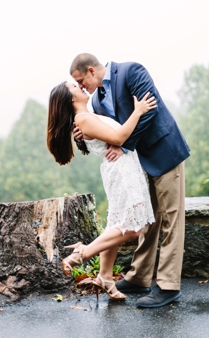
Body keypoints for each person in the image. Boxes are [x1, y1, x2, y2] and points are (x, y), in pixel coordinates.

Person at [69, 53, 191, 309]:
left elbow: (149, 109)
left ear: (91, 70)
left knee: (171, 219)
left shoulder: (131, 71)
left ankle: (168, 286)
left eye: (81, 81)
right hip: (138, 165)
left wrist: (126, 146)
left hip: (164, 152)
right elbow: (107, 130)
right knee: (148, 220)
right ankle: (139, 278)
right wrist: (81, 134)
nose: (82, 87)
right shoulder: (98, 100)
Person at [47, 82, 157, 300]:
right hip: (122, 171)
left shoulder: (85, 118)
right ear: (70, 98)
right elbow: (118, 139)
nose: (81, 87)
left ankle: (105, 277)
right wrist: (138, 111)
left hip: (123, 168)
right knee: (133, 227)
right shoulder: (83, 119)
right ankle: (81, 254)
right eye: (75, 87)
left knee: (117, 224)